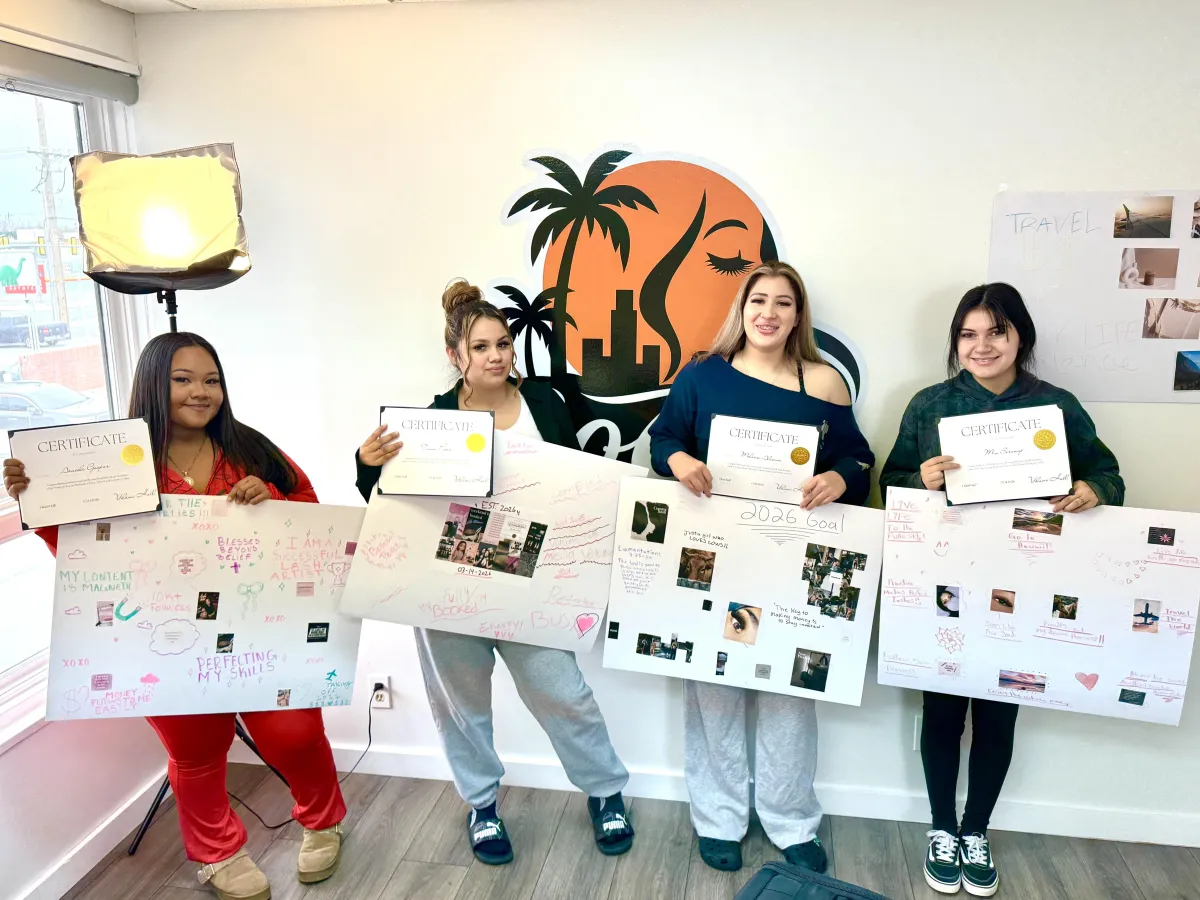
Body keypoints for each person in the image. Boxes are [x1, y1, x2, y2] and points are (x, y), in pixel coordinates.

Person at [3, 332, 347, 900]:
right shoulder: (114, 463)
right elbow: (88, 553)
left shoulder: (254, 449)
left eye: (211, 380)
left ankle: (324, 819)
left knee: (296, 731)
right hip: (163, 636)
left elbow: (309, 517)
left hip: (262, 626)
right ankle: (218, 853)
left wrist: (274, 500)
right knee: (195, 749)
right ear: (154, 386)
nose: (200, 391)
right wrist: (39, 500)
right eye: (183, 379)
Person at [354, 279, 634, 866]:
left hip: (534, 583)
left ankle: (606, 792)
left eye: (503, 343)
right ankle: (482, 805)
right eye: (481, 347)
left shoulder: (549, 405)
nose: (497, 355)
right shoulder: (428, 421)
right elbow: (391, 504)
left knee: (564, 694)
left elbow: (587, 483)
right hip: (448, 585)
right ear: (456, 357)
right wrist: (366, 465)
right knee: (460, 704)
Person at [880, 282, 1124, 897]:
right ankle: (941, 828)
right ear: (954, 341)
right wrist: (921, 478)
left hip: (1026, 589)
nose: (982, 345)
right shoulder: (930, 405)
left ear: (1021, 337)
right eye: (968, 334)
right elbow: (890, 486)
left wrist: (1097, 491)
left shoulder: (1056, 406)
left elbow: (1108, 472)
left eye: (996, 331)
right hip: (946, 585)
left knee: (998, 711)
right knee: (941, 710)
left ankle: (976, 830)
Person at [648, 261, 875, 873]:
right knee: (715, 691)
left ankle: (791, 819)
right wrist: (678, 464)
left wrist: (838, 475)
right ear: (741, 310)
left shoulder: (825, 384)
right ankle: (719, 817)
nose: (768, 313)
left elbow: (860, 459)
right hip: (715, 559)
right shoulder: (702, 376)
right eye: (757, 301)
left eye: (782, 302)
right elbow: (663, 438)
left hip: (793, 565)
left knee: (789, 696)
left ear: (798, 315)